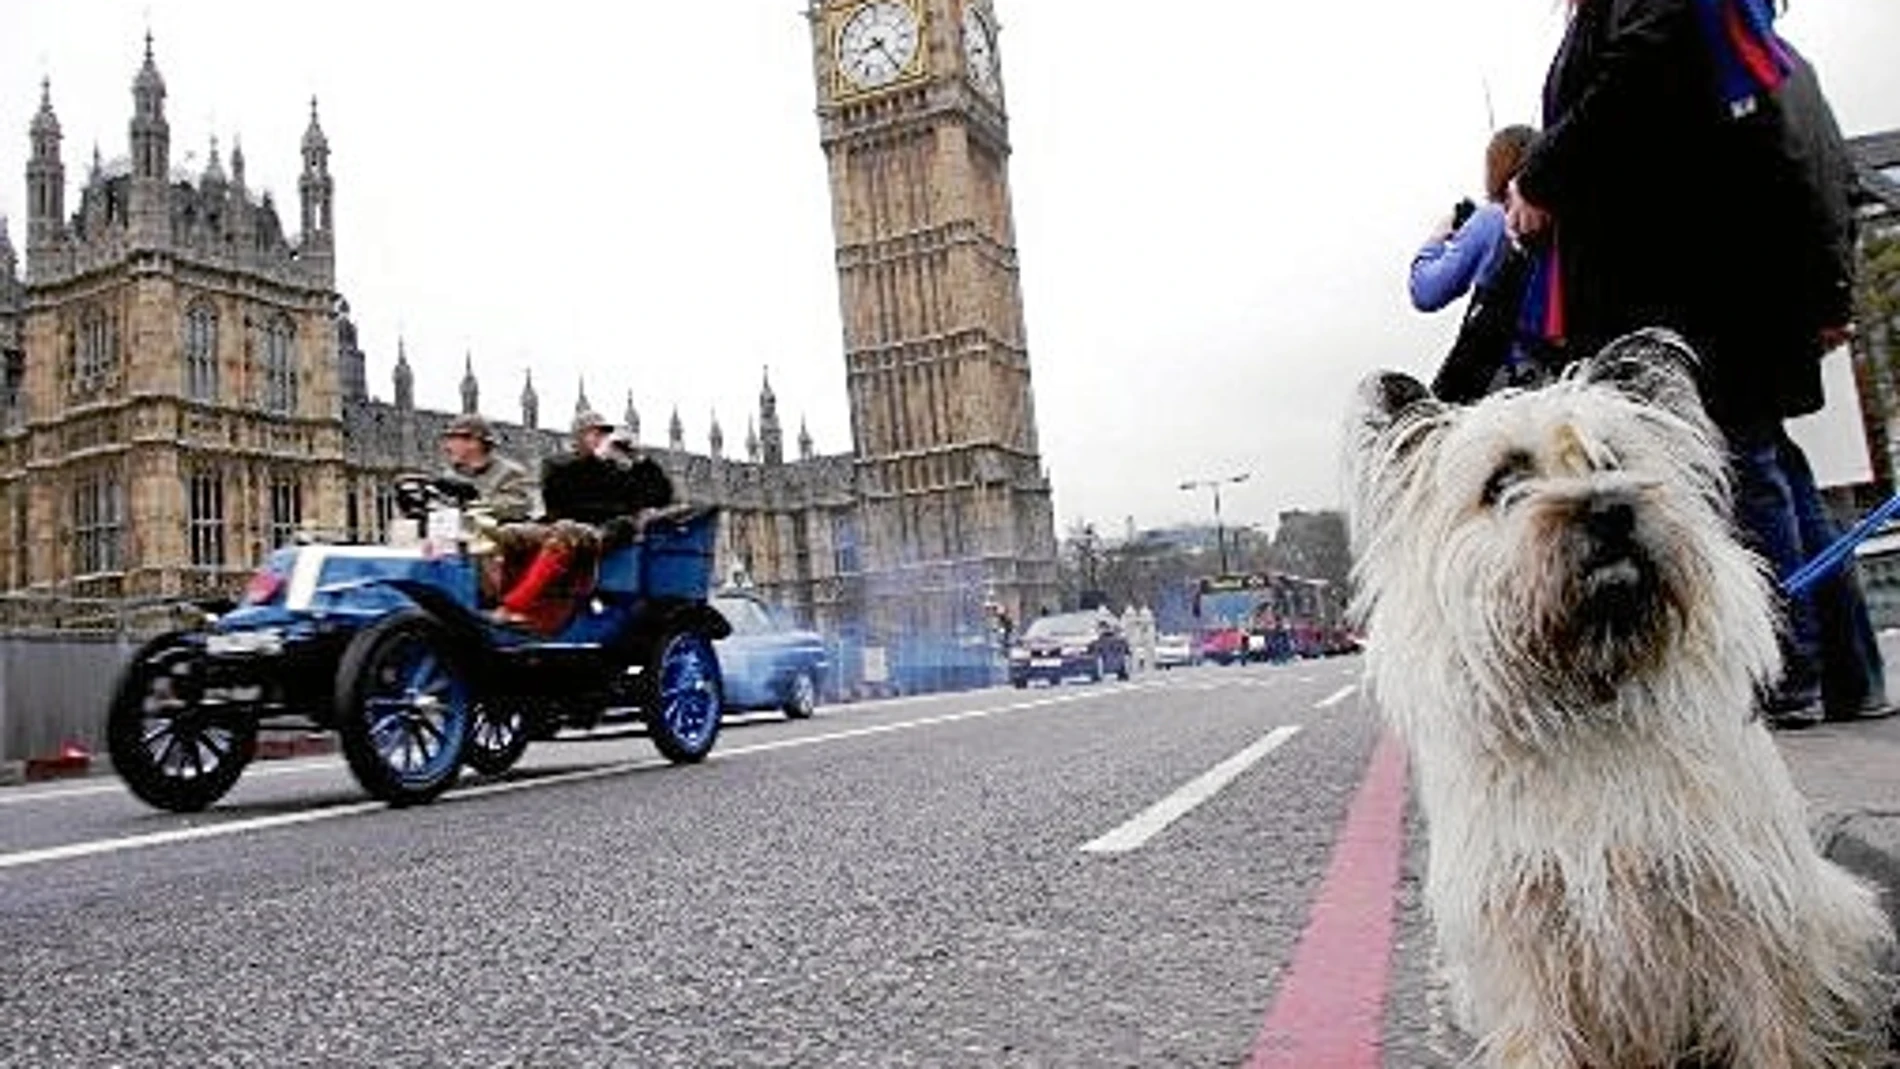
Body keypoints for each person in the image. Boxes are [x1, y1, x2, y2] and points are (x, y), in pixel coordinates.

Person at [1505, 0, 1888, 725]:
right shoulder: (1754, 44)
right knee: (1771, 467)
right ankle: (1844, 669)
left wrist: (1543, 174)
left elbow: (1634, 86)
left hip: (1698, 289)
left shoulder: (1667, 22)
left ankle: (1782, 672)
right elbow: (1816, 163)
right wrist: (1827, 286)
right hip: (1731, 287)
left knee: (1742, 473)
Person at [490, 411, 676, 630]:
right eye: (594, 433)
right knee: (506, 533)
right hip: (559, 525)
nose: (601, 439)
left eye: (605, 434)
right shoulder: (560, 465)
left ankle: (514, 607)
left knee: (566, 532)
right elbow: (556, 495)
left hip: (604, 532)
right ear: (578, 437)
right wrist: (594, 460)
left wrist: (640, 459)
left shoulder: (621, 472)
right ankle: (494, 600)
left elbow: (661, 495)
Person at [1411, 125, 1549, 402]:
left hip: (1497, 383)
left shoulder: (1493, 219)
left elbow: (1426, 292)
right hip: (1558, 376)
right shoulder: (1562, 219)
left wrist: (1436, 240)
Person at [438, 414, 536, 523]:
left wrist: (472, 500)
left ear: (473, 442)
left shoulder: (510, 474)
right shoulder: (451, 474)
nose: (447, 447)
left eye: (453, 440)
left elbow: (516, 507)